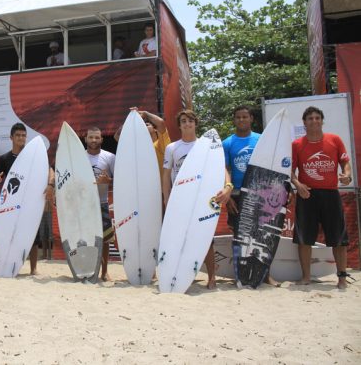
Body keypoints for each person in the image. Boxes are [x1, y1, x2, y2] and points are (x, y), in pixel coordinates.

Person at [162, 109, 232, 289]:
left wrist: (228, 187)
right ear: (179, 125)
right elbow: (166, 176)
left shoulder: (207, 145)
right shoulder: (172, 148)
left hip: (202, 198)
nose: (187, 124)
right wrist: (167, 199)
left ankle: (211, 277)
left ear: (196, 123)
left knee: (205, 238)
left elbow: (221, 168)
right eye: (183, 121)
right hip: (180, 200)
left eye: (190, 121)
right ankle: (184, 275)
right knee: (180, 239)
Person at [291, 106, 353, 289]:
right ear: (304, 123)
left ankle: (342, 278)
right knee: (304, 239)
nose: (314, 121)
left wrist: (347, 175)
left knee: (339, 239)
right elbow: (290, 171)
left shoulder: (335, 140)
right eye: (310, 118)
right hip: (307, 194)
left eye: (317, 118)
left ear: (322, 121)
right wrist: (298, 185)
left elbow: (345, 163)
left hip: (331, 193)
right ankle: (306, 277)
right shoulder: (297, 144)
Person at [222, 105, 279, 286]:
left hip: (259, 193)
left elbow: (271, 167)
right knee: (239, 237)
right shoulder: (227, 143)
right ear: (234, 119)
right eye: (238, 117)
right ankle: (240, 275)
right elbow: (225, 169)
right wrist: (228, 195)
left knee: (262, 236)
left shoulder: (262, 140)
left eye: (245, 117)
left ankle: (265, 275)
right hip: (237, 194)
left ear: (251, 119)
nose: (241, 120)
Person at [0, 123, 47, 275]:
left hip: (29, 202)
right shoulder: (4, 158)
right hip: (11, 202)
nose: (21, 138)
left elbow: (50, 170)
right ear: (11, 137)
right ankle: (4, 263)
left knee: (32, 234)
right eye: (18, 135)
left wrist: (50, 184)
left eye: (23, 135)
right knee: (8, 232)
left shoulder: (33, 157)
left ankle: (33, 268)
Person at [85, 127, 116, 281]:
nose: (94, 140)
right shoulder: (78, 157)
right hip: (84, 205)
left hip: (102, 203)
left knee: (105, 240)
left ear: (102, 139)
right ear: (86, 139)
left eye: (97, 137)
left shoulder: (110, 157)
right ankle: (89, 269)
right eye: (91, 137)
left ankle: (104, 271)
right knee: (85, 239)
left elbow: (121, 178)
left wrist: (108, 181)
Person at [115, 107, 171, 175]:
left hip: (161, 185)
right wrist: (131, 119)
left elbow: (161, 123)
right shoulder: (137, 147)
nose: (144, 127)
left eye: (147, 125)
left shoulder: (160, 144)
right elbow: (117, 136)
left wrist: (145, 113)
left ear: (155, 129)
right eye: (142, 126)